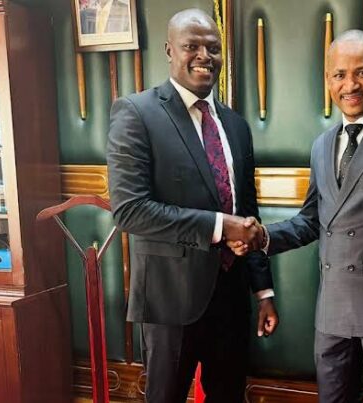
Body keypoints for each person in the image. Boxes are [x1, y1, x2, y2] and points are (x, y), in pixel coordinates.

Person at [230, 30, 363, 403]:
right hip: (331, 312)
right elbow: (311, 220)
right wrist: (261, 238)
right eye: (339, 75)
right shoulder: (322, 145)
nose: (350, 85)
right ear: (328, 80)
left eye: (362, 72)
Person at [106, 8, 278, 403]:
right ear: (170, 50)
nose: (204, 56)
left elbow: (248, 213)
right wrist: (219, 226)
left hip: (231, 298)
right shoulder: (136, 113)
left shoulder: (236, 125)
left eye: (213, 48)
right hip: (170, 300)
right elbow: (130, 210)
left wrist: (263, 291)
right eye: (192, 46)